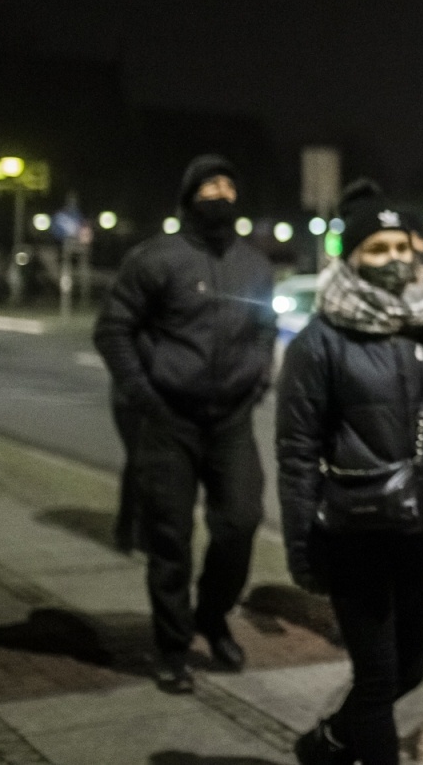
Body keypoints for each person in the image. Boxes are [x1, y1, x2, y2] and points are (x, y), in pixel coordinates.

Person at [278, 182, 423, 765]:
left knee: (410, 668)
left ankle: (328, 743)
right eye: (378, 248)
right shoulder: (320, 343)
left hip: (418, 524)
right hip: (353, 527)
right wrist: (301, 547)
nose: (395, 258)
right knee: (378, 675)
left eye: (401, 245)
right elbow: (296, 452)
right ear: (351, 257)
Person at [93, 155, 275, 693]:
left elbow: (265, 326)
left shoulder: (255, 265)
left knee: (240, 521)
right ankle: (172, 647)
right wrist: (144, 394)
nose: (221, 192)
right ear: (189, 196)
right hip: (168, 419)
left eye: (229, 183)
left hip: (231, 420)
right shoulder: (156, 259)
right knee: (170, 537)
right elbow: (112, 330)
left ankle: (212, 615)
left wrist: (260, 374)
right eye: (209, 185)